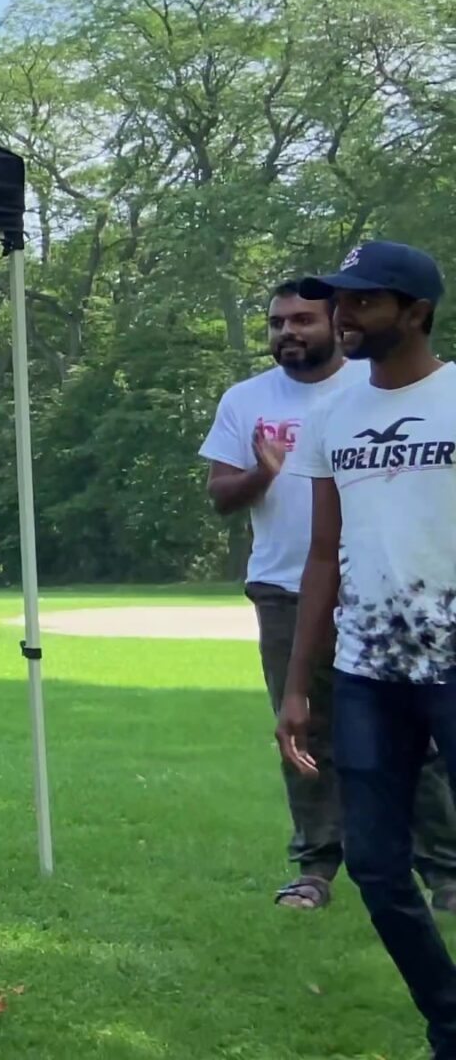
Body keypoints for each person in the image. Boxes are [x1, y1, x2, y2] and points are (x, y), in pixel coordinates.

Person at [207, 281, 456, 912]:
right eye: (277, 322)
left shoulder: (378, 387)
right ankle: (315, 867)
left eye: (303, 320)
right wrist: (263, 472)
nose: (288, 332)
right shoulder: (246, 400)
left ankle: (444, 870)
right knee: (305, 733)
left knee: (420, 736)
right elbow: (220, 496)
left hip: (389, 589)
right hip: (286, 587)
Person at [278, 240, 456, 1059]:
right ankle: (449, 1024)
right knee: (379, 870)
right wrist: (297, 685)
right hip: (368, 673)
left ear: (416, 312)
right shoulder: (334, 416)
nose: (343, 315)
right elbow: (324, 554)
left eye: (364, 301)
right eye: (339, 301)